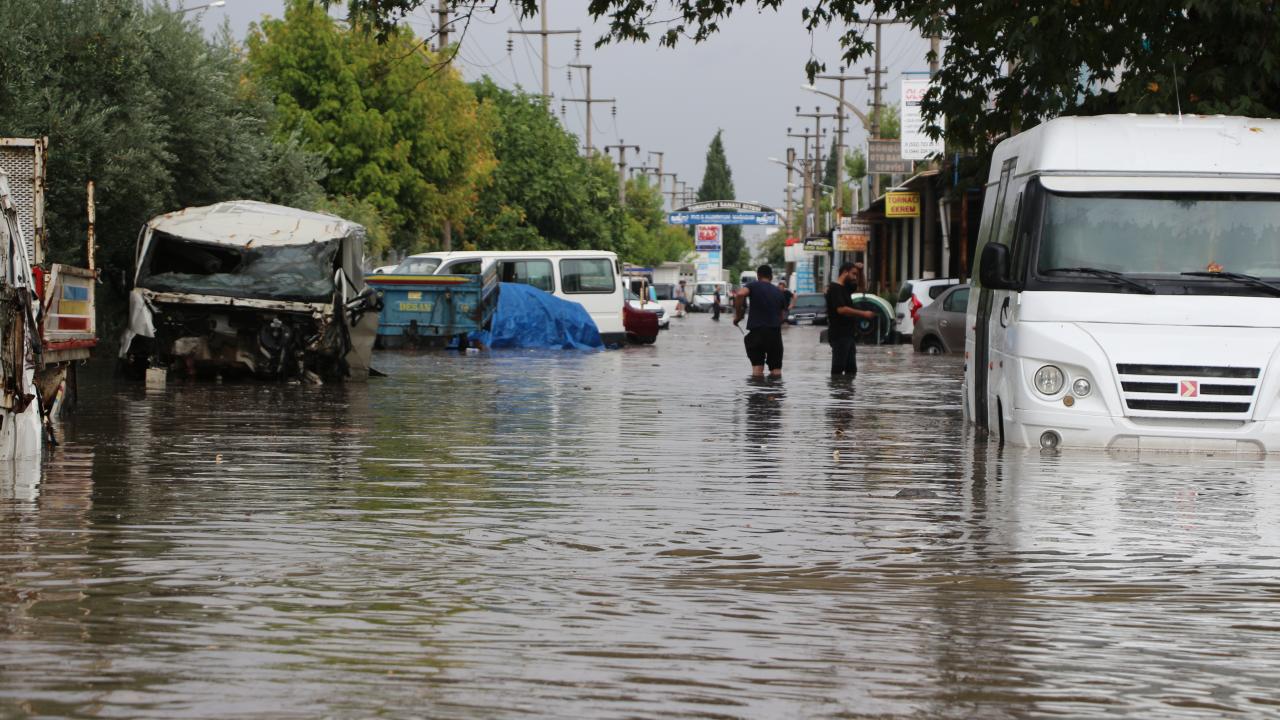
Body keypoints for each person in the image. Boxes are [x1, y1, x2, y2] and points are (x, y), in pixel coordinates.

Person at [733, 265, 786, 378]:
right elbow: (782, 317)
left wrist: (738, 316)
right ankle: (773, 393)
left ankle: (757, 394)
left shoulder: (753, 286)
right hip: (774, 334)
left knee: (757, 370)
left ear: (758, 276)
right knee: (776, 371)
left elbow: (740, 294)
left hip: (756, 333)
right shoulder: (779, 292)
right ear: (771, 277)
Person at [826, 261, 876, 377]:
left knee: (851, 370)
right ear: (845, 272)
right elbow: (841, 309)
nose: (855, 277)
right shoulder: (834, 289)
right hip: (839, 334)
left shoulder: (846, 288)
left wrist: (861, 272)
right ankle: (838, 392)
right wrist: (863, 314)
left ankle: (847, 393)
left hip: (849, 334)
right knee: (838, 369)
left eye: (856, 275)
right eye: (853, 274)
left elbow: (863, 288)